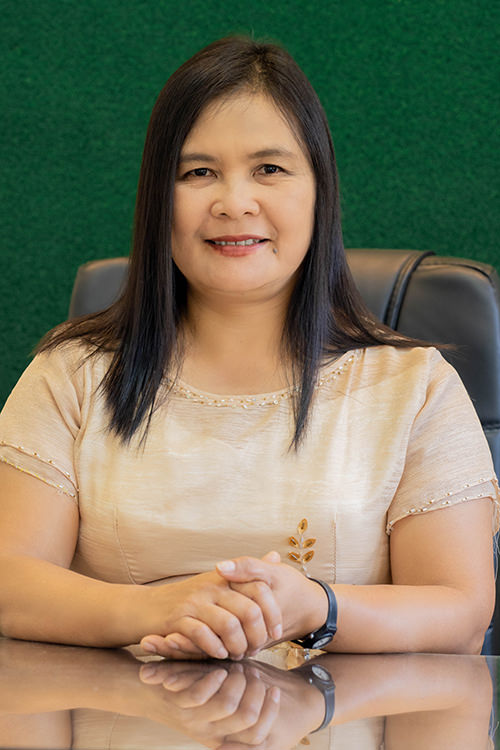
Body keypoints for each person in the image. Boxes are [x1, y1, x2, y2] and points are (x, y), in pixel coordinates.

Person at [0, 37, 498, 660]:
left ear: (319, 191)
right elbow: (11, 584)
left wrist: (315, 607)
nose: (234, 203)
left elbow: (459, 612)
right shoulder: (71, 373)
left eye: (270, 169)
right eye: (198, 172)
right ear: (158, 198)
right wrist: (156, 608)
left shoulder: (416, 388)